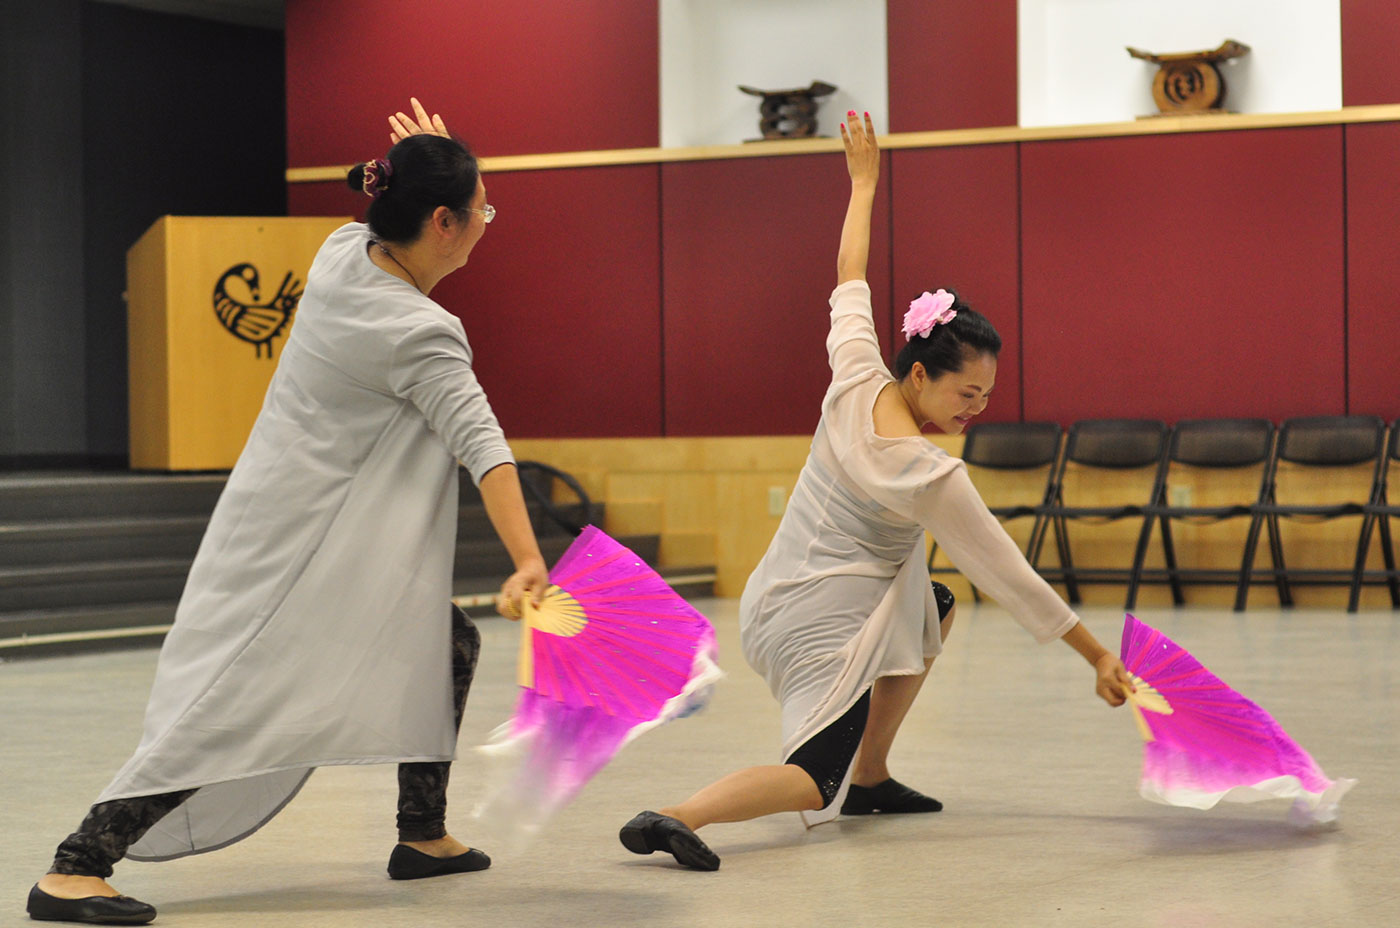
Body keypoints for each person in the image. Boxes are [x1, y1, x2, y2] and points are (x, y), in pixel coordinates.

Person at [27, 99, 548, 925]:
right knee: (236, 701)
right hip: (306, 553)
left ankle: (423, 832)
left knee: (445, 639)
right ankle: (75, 864)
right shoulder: (422, 334)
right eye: (481, 208)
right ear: (443, 222)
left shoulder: (343, 254)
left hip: (288, 528)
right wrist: (527, 560)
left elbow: (385, 215)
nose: (488, 221)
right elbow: (484, 448)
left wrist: (415, 159)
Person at [618, 111, 1133, 872]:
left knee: (937, 602)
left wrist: (863, 184)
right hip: (815, 619)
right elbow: (1009, 573)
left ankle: (874, 775)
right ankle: (674, 815)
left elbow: (849, 276)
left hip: (779, 591)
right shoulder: (928, 474)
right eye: (967, 393)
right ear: (921, 374)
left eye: (987, 396)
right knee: (808, 781)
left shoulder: (857, 370)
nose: (976, 410)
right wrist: (1095, 655)